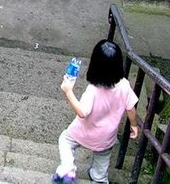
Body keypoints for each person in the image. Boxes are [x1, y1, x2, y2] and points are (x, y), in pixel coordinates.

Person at [53, 39, 140, 184]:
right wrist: (134, 125)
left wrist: (68, 92)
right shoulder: (124, 85)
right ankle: (99, 179)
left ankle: (68, 169)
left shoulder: (93, 90)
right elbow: (131, 108)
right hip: (106, 137)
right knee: (102, 158)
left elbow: (82, 112)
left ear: (95, 65)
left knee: (65, 140)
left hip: (83, 132)